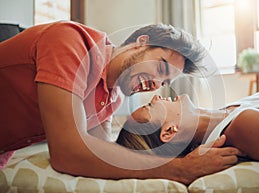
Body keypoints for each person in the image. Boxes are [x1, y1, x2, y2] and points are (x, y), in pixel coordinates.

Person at [0, 20, 241, 185]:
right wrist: (179, 169)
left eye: (165, 82)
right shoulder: (70, 42)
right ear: (141, 42)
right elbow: (69, 153)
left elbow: (104, 158)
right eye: (160, 67)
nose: (156, 84)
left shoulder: (110, 100)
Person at [116, 86, 259, 167]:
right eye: (150, 106)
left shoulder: (226, 114)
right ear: (169, 131)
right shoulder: (243, 126)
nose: (155, 97)